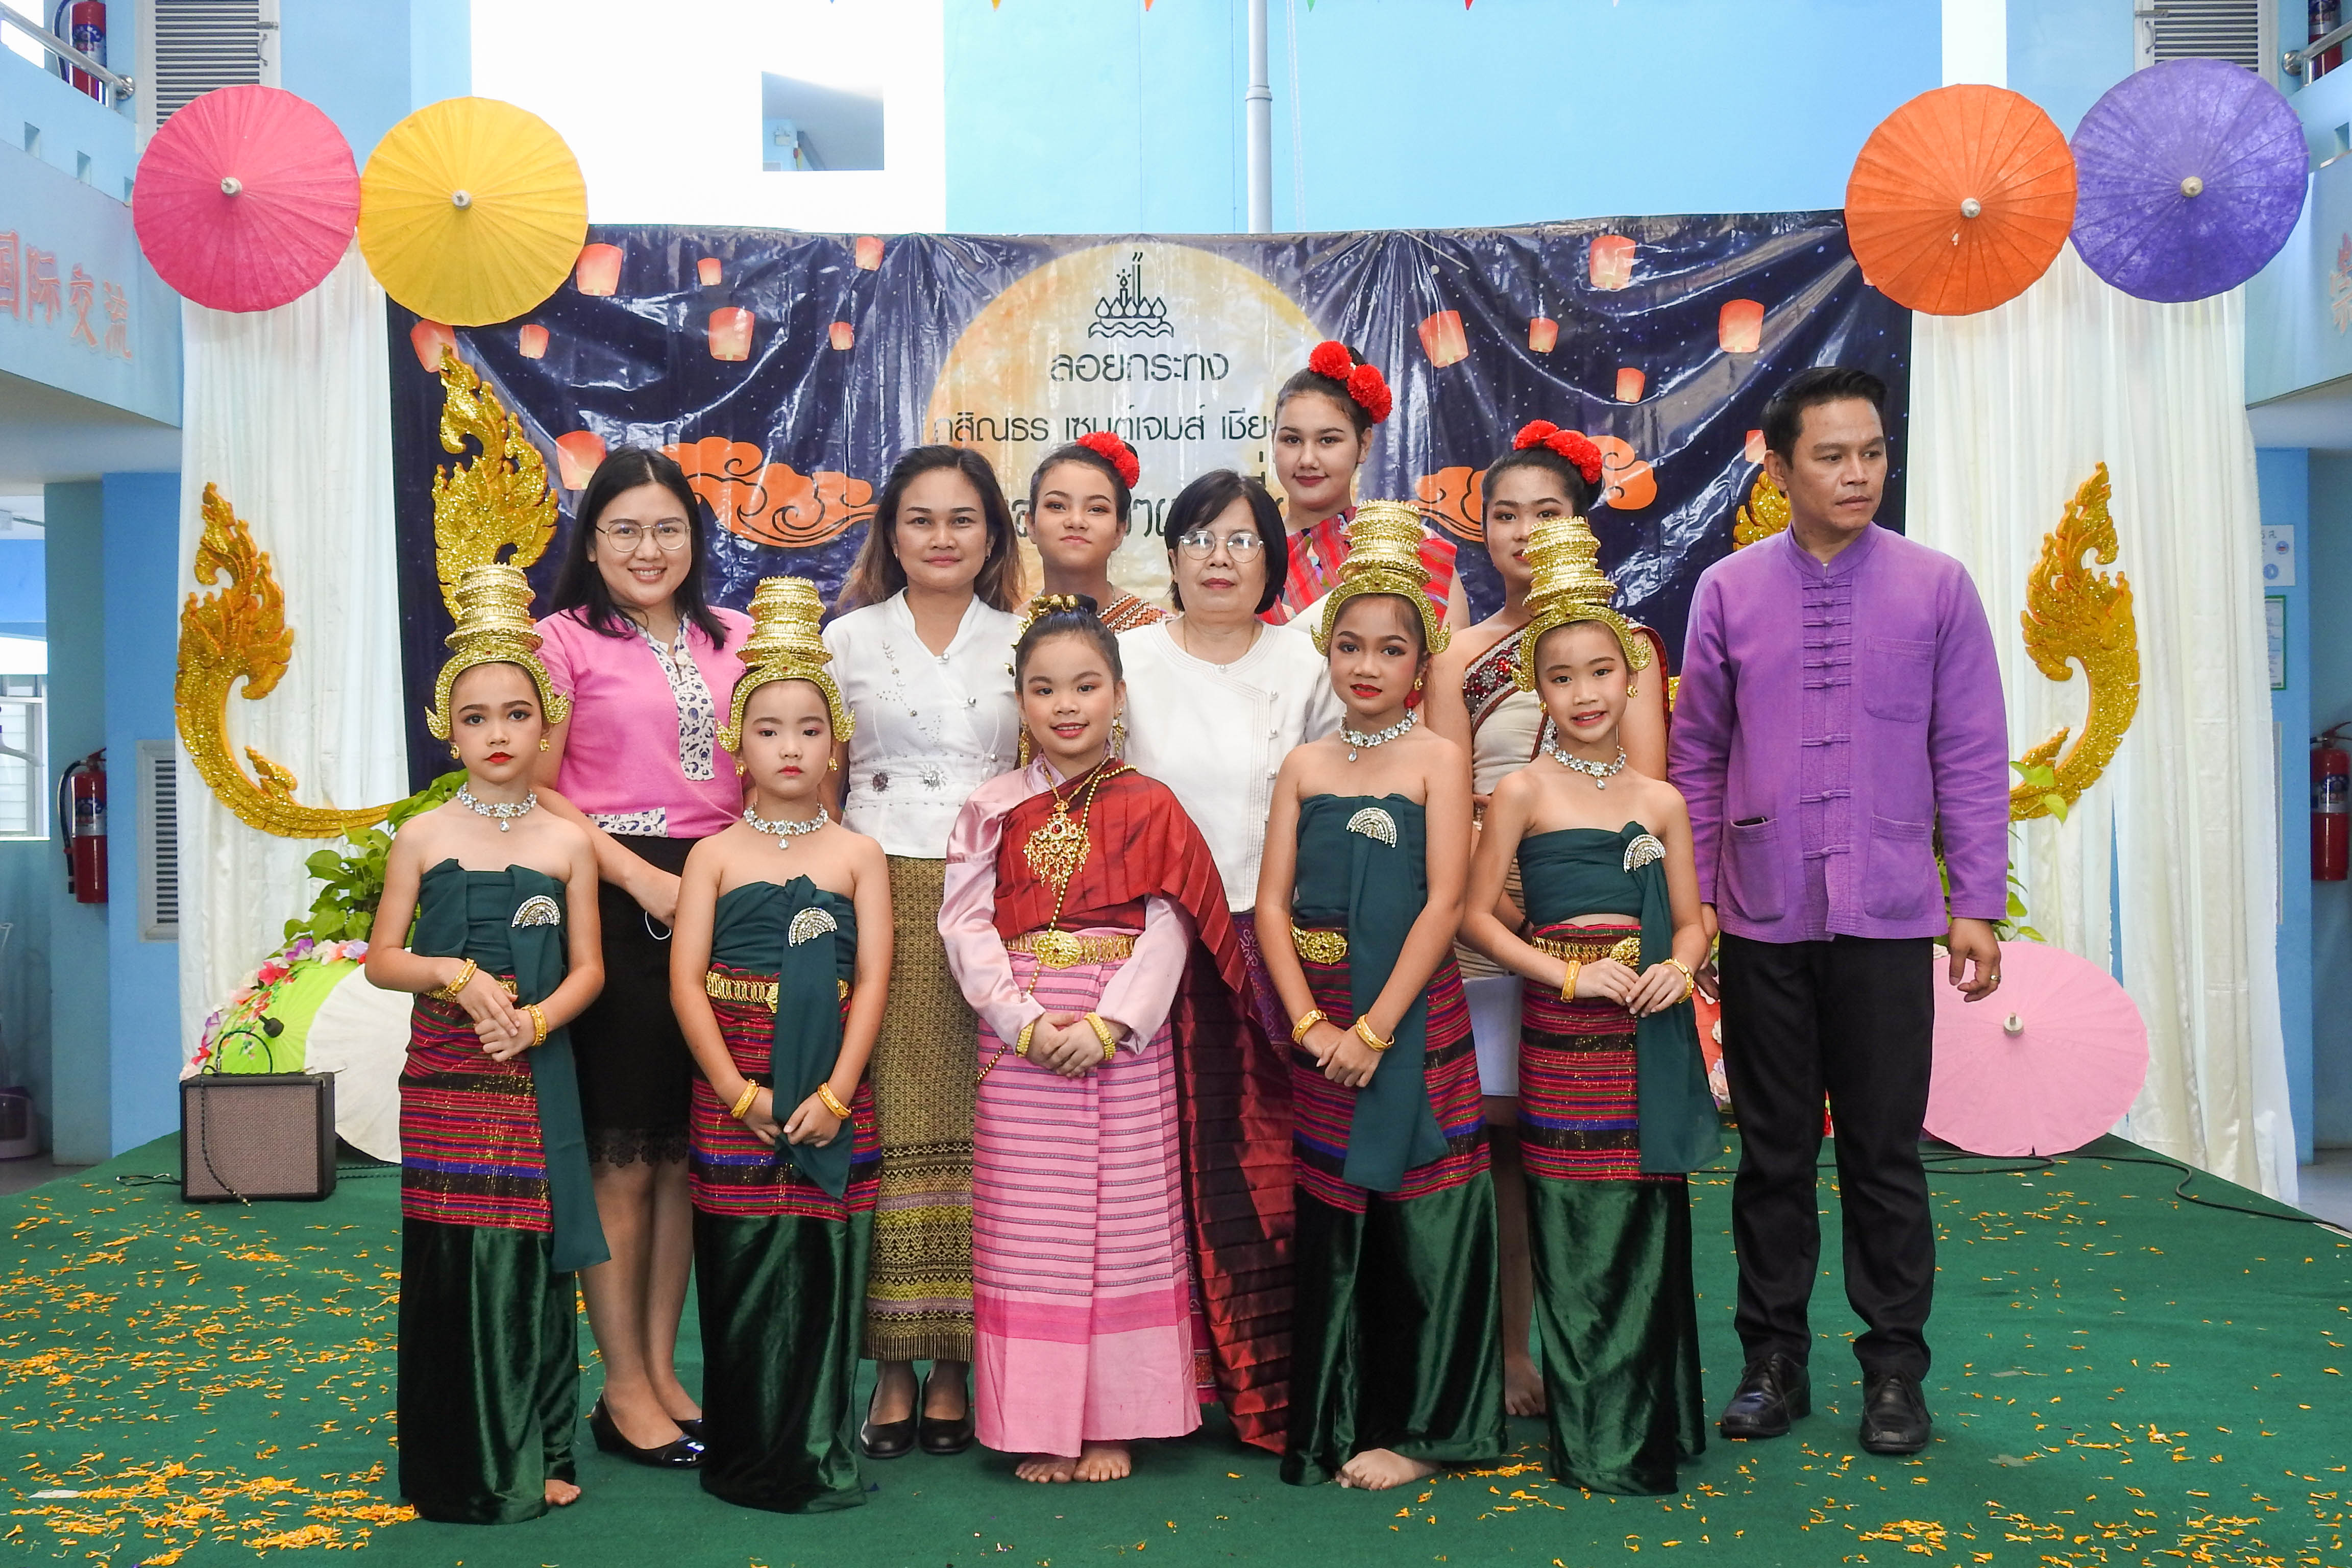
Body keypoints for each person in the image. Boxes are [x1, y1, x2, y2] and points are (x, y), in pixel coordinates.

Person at [1668, 366, 2008, 1457]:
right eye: (1831, 456)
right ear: (1778, 467)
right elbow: (1696, 752)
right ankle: (1771, 1362)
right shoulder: (1727, 590)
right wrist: (1696, 899)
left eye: (1871, 453)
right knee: (1771, 1155)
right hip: (1760, 912)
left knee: (1882, 1155)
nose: (1857, 473)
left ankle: (1894, 1372)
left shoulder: (1936, 586)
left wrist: (1976, 902)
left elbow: (1971, 749)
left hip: (1891, 912)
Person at [939, 596, 1293, 1481]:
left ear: (1119, 695)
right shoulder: (989, 808)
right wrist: (1022, 1019)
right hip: (1020, 1042)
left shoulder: (1152, 804)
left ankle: (1113, 1422)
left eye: (1086, 686)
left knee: (1127, 1223)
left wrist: (1112, 1023)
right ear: (1019, 702)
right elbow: (965, 925)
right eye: (1044, 689)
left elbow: (1172, 924)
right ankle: (1040, 1423)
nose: (1066, 706)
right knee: (1032, 1231)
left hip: (1124, 1038)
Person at [1458, 513, 1719, 1494]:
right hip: (1561, 1030)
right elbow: (1475, 916)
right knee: (1567, 1214)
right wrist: (1565, 975)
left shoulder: (1660, 801)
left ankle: (1646, 1416)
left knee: (1644, 1212)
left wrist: (1677, 969)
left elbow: (1691, 922)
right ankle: (1588, 1429)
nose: (1584, 694)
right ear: (1539, 686)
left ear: (1631, 678)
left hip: (1643, 1029)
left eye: (1600, 673)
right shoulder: (1522, 792)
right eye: (1561, 677)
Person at [1423, 422, 1672, 1417]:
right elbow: (1445, 798)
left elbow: (1642, 798)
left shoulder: (1627, 651)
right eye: (1505, 515)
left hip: (1594, 926)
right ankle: (1510, 1348)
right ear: (1482, 531)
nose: (1525, 532)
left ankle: (1601, 1354)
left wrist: (1569, 908)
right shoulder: (1457, 657)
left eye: (1547, 512)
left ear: (1582, 526)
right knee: (1497, 1153)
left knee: (1594, 1151)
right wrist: (1501, 902)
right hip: (1489, 929)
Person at [1254, 504, 1503, 1490]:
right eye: (1349, 645)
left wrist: (1373, 1028)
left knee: (1421, 1217)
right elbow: (1271, 906)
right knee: (1335, 1218)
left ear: (1419, 662)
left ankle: (1429, 1429)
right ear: (1326, 651)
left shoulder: (1439, 758)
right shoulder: (1305, 764)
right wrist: (1311, 1025)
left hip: (1408, 1019)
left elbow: (1444, 901)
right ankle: (1334, 1415)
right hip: (1320, 1028)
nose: (1366, 665)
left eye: (1390, 649)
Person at [370, 564, 608, 1524]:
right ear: (446, 727)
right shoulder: (422, 835)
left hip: (532, 1074)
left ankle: (539, 1445)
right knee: (452, 1259)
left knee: (531, 1263)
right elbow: (383, 958)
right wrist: (453, 975)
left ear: (547, 722)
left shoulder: (567, 841)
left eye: (516, 713)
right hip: (444, 1081)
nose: (497, 733)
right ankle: (456, 1453)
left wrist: (537, 1022)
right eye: (476, 717)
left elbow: (588, 970)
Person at [535, 447, 748, 1466]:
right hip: (615, 897)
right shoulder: (559, 641)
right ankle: (621, 1387)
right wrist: (638, 878)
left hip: (728, 892)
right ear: (591, 542)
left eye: (668, 528)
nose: (648, 549)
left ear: (695, 540)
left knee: (680, 1155)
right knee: (620, 1157)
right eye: (624, 529)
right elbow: (535, 787)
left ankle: (663, 1374)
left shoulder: (739, 637)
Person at [669, 577, 892, 1512]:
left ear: (837, 739)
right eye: (769, 730)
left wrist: (836, 1093)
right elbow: (687, 983)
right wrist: (736, 1092)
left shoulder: (857, 854)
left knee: (821, 1267)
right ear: (736, 742)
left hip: (831, 1089)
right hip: (735, 1093)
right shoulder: (714, 855)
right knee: (739, 1269)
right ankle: (744, 1452)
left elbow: (872, 980)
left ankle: (816, 1451)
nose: (790, 747)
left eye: (809, 728)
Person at [824, 444, 1025, 1458]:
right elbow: (819, 780)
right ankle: (892, 1366)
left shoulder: (1025, 635)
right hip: (878, 885)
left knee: (986, 1124)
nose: (941, 537)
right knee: (894, 1117)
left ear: (992, 535)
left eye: (962, 519)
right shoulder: (847, 639)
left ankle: (957, 1365)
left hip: (994, 891)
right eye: (920, 519)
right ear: (891, 535)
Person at [1118, 469, 1342, 1042]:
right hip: (1148, 929)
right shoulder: (1125, 660)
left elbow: (1333, 800)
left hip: (1273, 929)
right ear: (1173, 561)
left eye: (1242, 541)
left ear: (1271, 564)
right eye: (1199, 539)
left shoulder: (1308, 663)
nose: (1219, 558)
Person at [1266, 341, 1457, 626]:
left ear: (1364, 445)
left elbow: (1447, 655)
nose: (1307, 459)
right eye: (1292, 440)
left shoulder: (1414, 552)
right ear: (1273, 440)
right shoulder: (1247, 552)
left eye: (1328, 440)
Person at [1024, 431, 1166, 632]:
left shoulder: (1155, 633)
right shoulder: (1008, 631)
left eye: (1097, 509)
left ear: (1120, 531)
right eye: (1057, 506)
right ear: (1031, 524)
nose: (1076, 521)